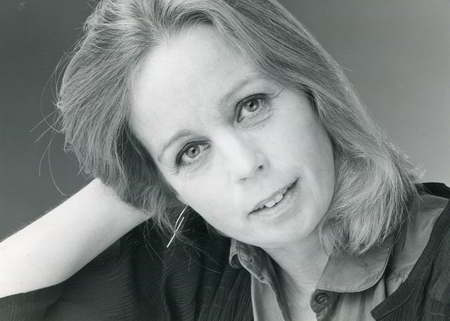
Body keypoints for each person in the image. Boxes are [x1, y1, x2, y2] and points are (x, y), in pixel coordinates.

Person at [0, 0, 449, 320]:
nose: (244, 165)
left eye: (251, 105)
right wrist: (138, 179)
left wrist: (171, 159)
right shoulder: (193, 275)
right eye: (191, 151)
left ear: (312, 89)